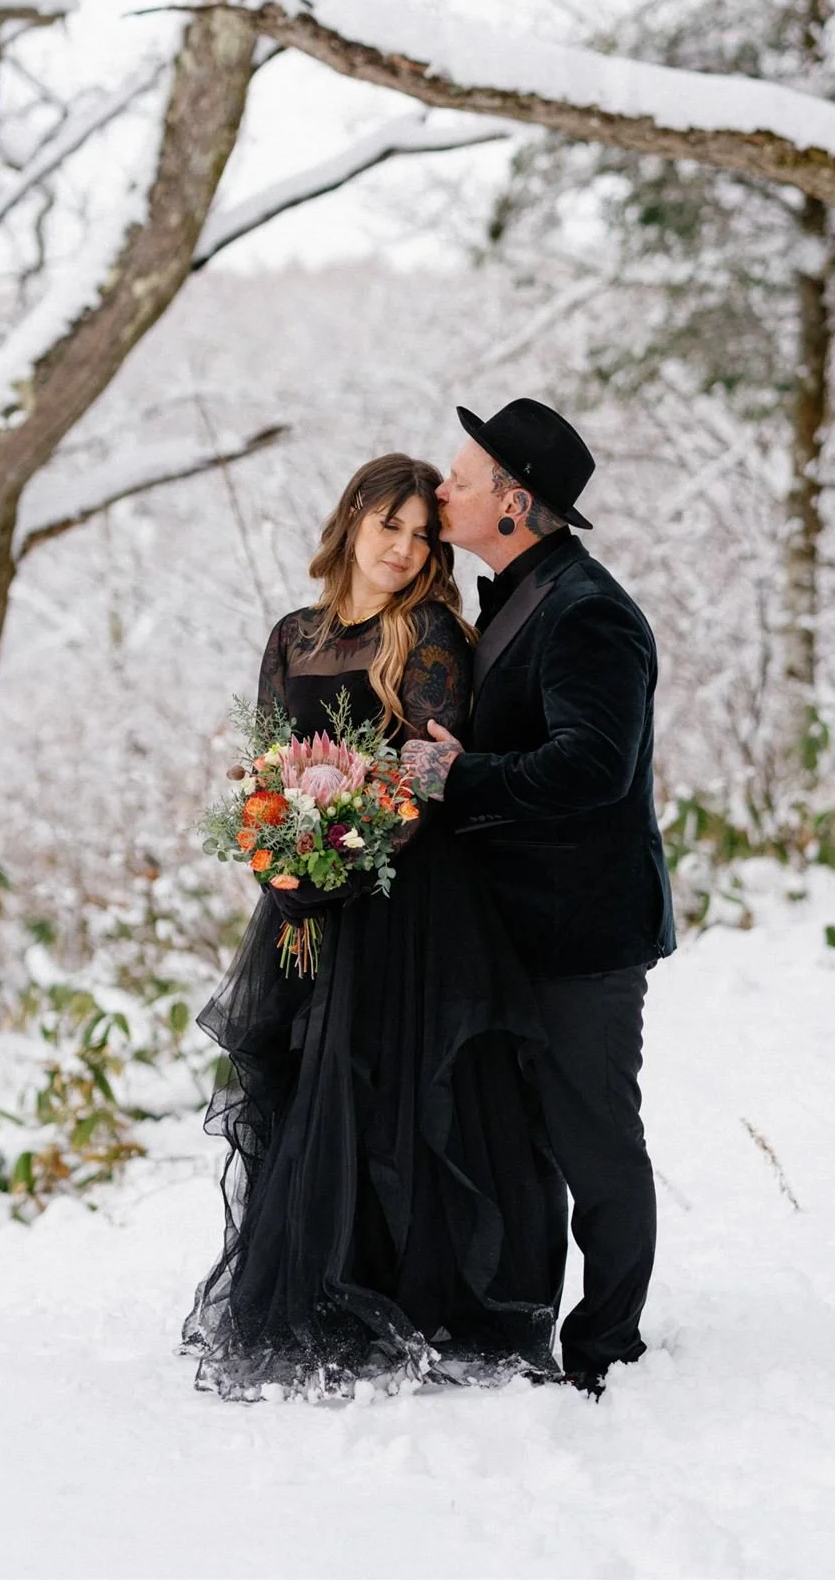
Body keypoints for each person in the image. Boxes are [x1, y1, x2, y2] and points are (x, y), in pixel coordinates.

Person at [184, 453, 566, 1400]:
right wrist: (284, 857)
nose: (403, 549)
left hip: (406, 901)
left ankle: (417, 1297)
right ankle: (319, 1291)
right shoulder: (292, 636)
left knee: (395, 1093)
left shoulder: (428, 633)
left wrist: (350, 859)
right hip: (306, 905)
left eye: (422, 536)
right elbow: (272, 767)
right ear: (352, 518)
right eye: (388, 526)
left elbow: (428, 771)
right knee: (312, 1086)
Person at [403, 399, 676, 1399]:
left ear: (514, 502)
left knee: (595, 1137)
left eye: (459, 478)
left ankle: (610, 1346)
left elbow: (592, 768)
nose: (440, 491)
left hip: (584, 931)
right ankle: (522, 1320)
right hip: (519, 928)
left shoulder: (587, 607)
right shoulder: (522, 592)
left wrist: (450, 775)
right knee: (523, 1142)